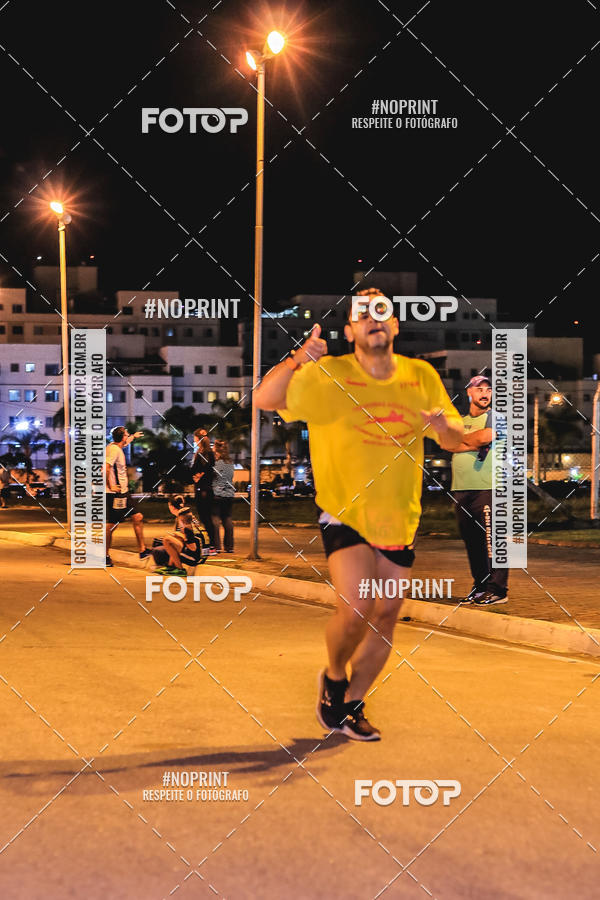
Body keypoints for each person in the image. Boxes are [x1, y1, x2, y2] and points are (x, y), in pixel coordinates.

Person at [254, 288, 464, 741]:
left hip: (399, 516)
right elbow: (264, 399)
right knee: (357, 608)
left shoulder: (421, 375)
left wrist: (446, 428)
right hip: (344, 510)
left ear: (395, 326)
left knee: (386, 614)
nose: (374, 320)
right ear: (349, 330)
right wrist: (298, 359)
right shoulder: (327, 374)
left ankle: (350, 705)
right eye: (363, 315)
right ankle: (333, 676)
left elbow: (452, 437)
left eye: (382, 313)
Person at [450, 375, 509, 605]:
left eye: (489, 389)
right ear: (469, 393)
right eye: (479, 389)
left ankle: (499, 590)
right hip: (461, 490)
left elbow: (485, 437)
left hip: (489, 488)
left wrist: (462, 442)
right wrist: (468, 441)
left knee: (492, 541)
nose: (485, 393)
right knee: (472, 543)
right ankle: (480, 586)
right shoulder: (460, 420)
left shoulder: (497, 418)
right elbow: (446, 443)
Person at [105, 426, 151, 567]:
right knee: (111, 525)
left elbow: (124, 443)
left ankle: (142, 550)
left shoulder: (114, 445)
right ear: (122, 437)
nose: (128, 436)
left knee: (137, 517)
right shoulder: (114, 450)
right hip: (116, 493)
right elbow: (106, 468)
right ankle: (105, 556)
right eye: (126, 434)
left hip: (123, 493)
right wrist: (110, 485)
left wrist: (133, 436)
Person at [191, 429, 217, 553]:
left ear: (198, 438)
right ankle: (209, 544)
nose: (194, 440)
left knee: (206, 518)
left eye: (195, 438)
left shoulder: (205, 453)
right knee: (205, 517)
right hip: (203, 488)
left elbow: (206, 469)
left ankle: (212, 545)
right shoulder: (204, 452)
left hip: (204, 489)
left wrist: (198, 476)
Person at [211, 439, 235, 553]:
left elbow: (212, 477)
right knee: (227, 519)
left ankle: (217, 546)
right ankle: (229, 547)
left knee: (215, 520)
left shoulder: (215, 463)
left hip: (217, 494)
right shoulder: (230, 463)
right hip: (229, 494)